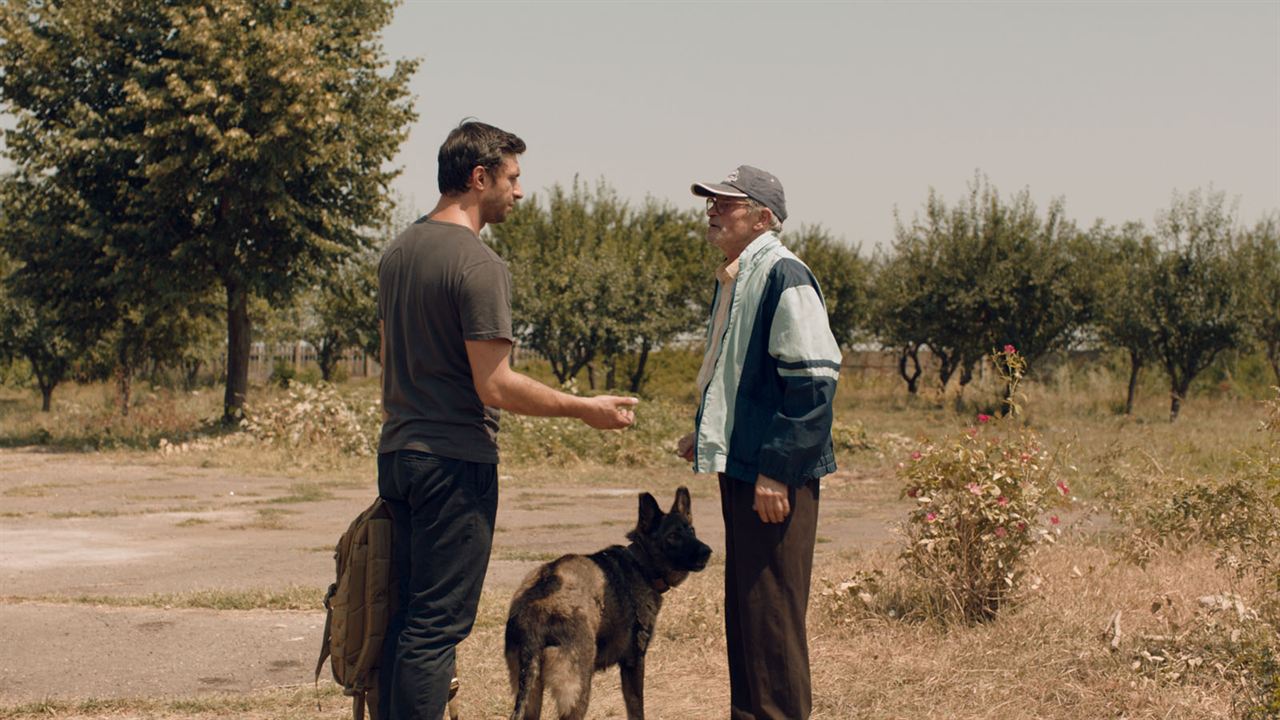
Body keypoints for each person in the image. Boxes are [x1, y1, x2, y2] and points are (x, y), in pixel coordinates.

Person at [376, 120, 639, 720]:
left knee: (408, 618)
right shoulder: (478, 263)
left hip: (398, 455)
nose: (520, 192)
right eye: (513, 178)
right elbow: (494, 384)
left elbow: (390, 362)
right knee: (438, 625)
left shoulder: (396, 253)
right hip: (452, 463)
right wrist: (584, 409)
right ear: (479, 177)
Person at [676, 165, 841, 720]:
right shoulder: (740, 277)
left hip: (772, 477)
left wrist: (778, 470)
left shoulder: (783, 275)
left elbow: (813, 381)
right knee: (748, 611)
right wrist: (705, 432)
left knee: (771, 619)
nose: (712, 209)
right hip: (745, 467)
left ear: (763, 217)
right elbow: (739, 376)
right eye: (710, 201)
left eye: (727, 202)